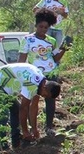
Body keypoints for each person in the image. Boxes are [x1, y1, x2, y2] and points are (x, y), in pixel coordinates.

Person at [18, 9, 67, 137]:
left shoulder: (51, 40)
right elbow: (21, 60)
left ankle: (49, 127)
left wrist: (64, 49)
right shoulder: (27, 40)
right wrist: (21, 78)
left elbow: (56, 58)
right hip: (34, 76)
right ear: (36, 25)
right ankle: (32, 127)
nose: (43, 29)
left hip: (50, 73)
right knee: (33, 101)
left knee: (51, 100)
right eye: (41, 26)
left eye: (46, 27)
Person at [0, 63, 61, 148]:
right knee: (2, 114)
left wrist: (34, 129)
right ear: (45, 88)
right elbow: (24, 108)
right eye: (46, 95)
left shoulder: (40, 82)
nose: (44, 97)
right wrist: (25, 131)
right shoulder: (32, 83)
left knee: (15, 109)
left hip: (3, 88)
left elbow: (33, 107)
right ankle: (2, 146)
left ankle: (16, 143)